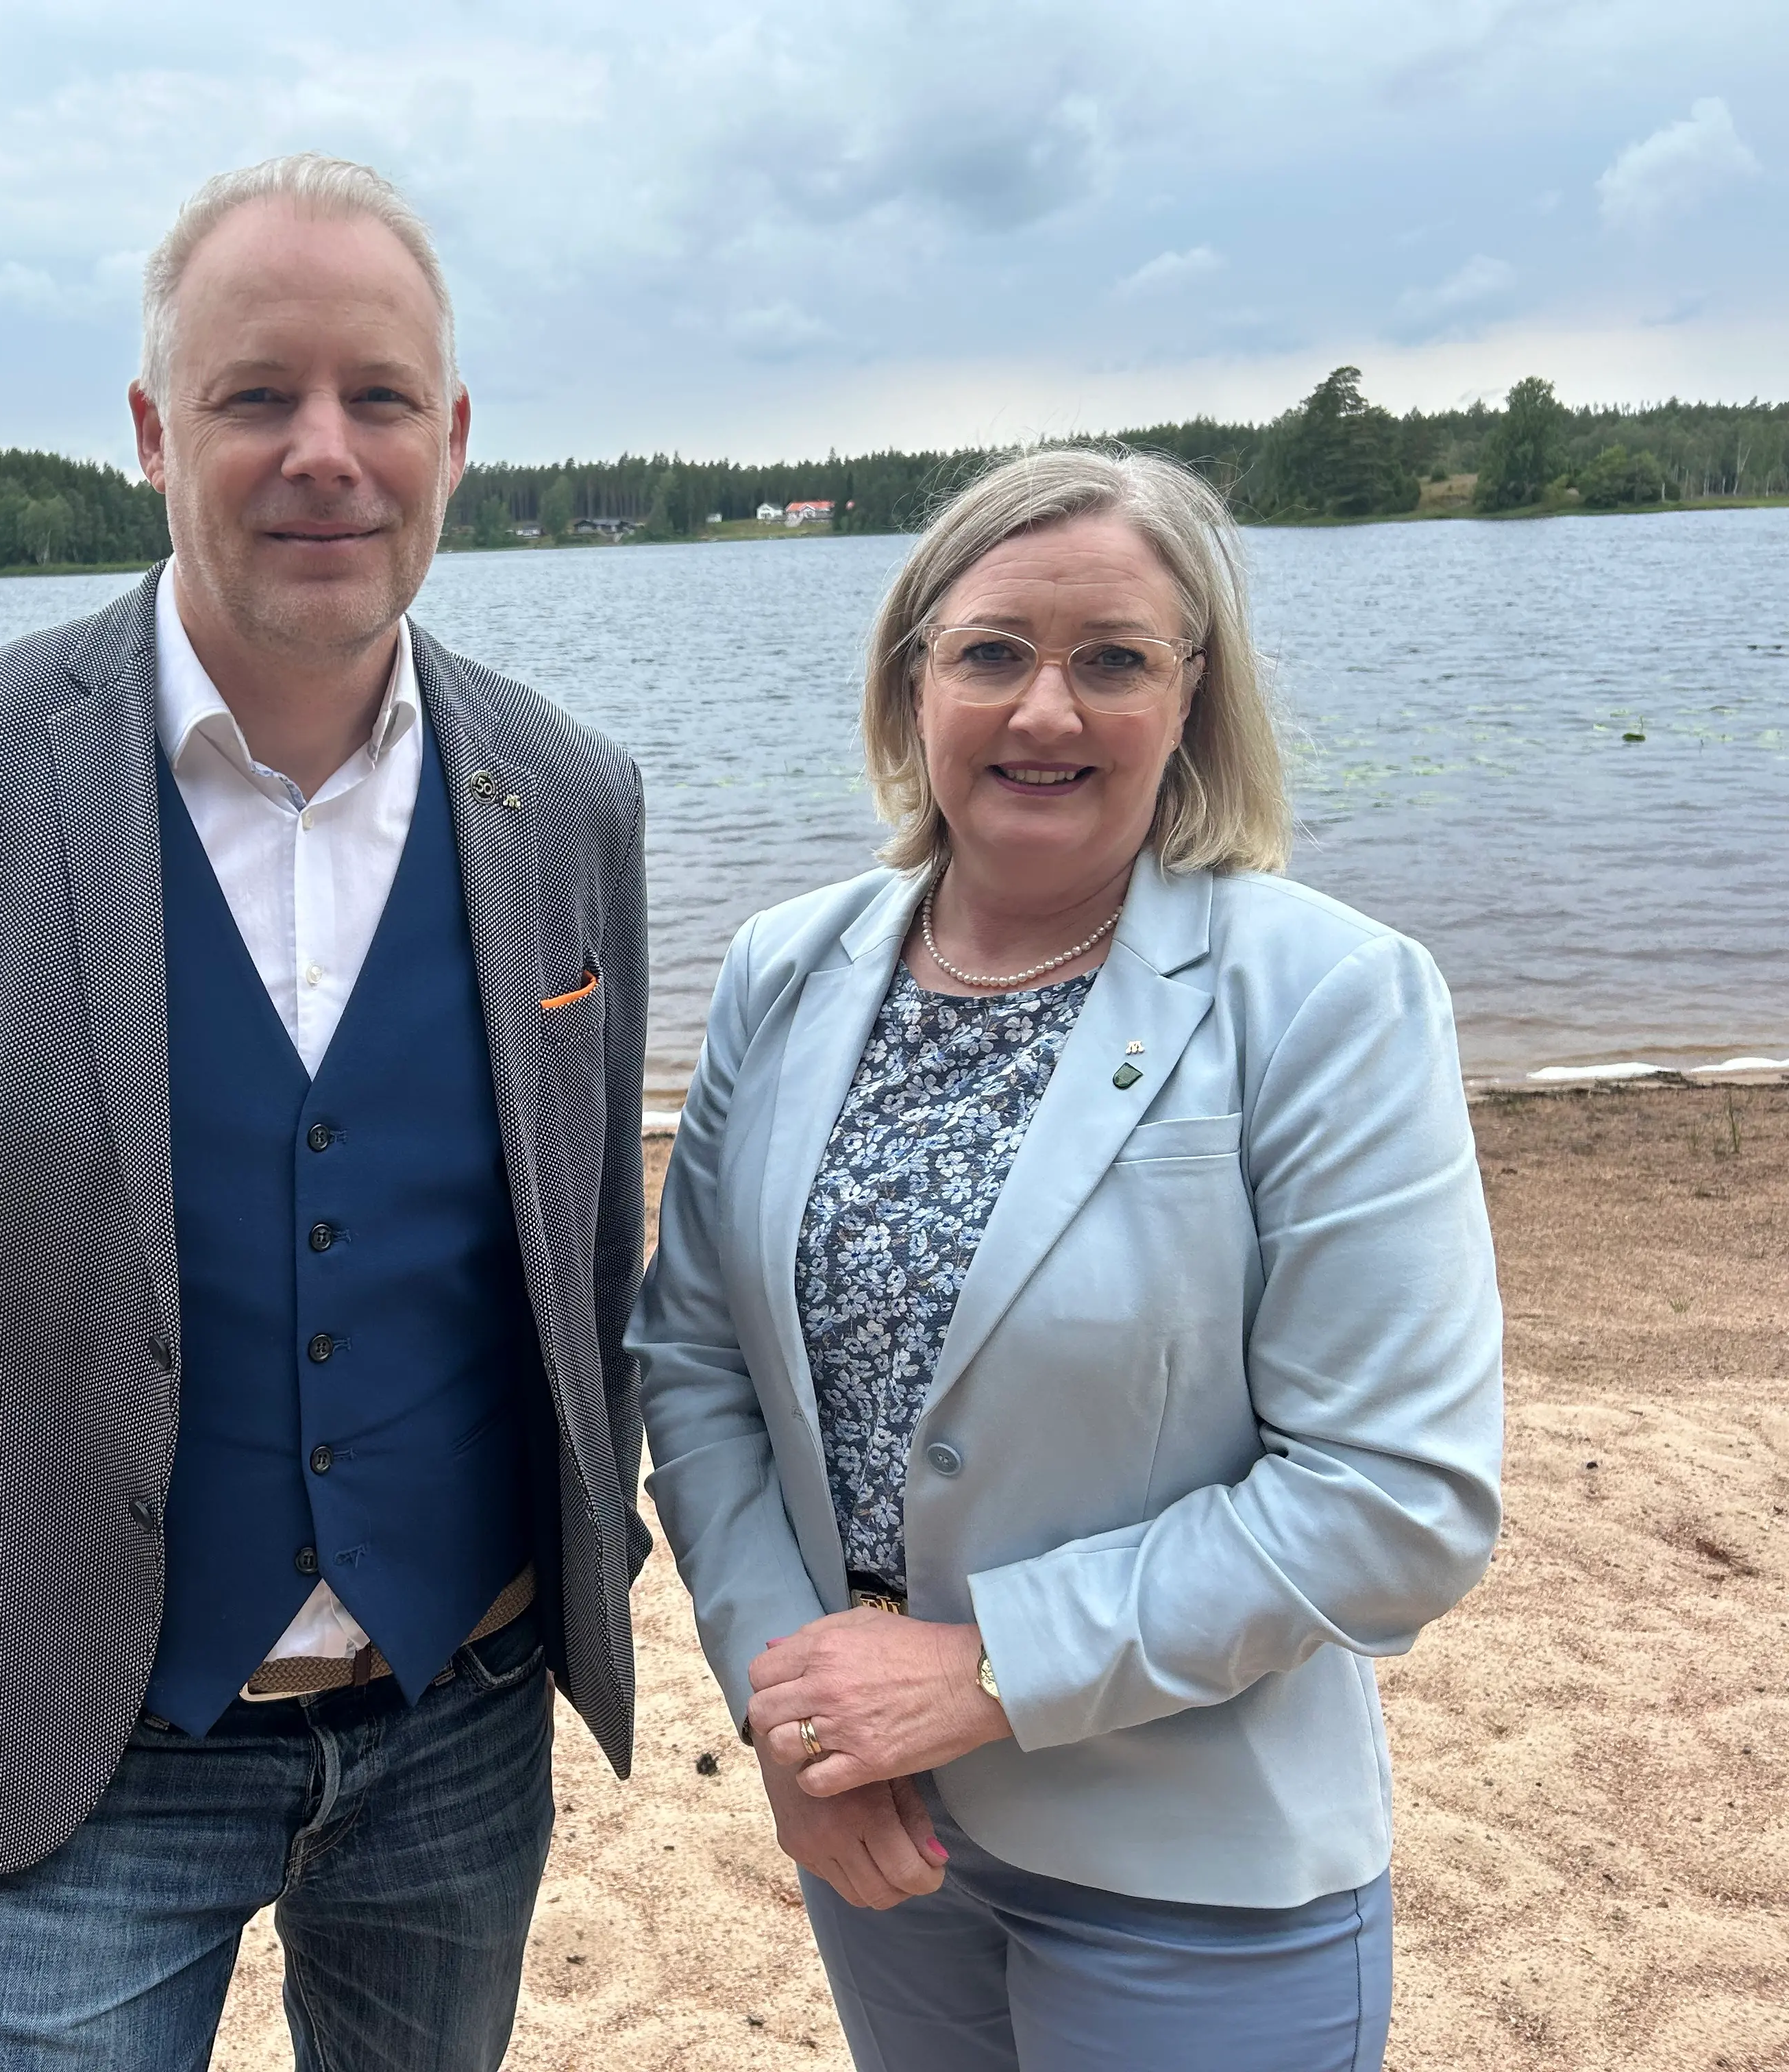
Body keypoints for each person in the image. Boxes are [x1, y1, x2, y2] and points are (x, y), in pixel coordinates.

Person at [0, 153, 651, 2071]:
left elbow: (585, 1232)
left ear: (451, 436)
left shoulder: (573, 793)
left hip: (458, 1705)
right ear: (154, 431)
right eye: (255, 398)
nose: (326, 452)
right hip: (79, 1705)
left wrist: (596, 1554)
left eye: (379, 398)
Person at [631, 445, 1503, 2071]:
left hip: (1196, 1860)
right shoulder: (781, 969)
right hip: (882, 1834)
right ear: (914, 686)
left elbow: (1399, 1498)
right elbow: (694, 1361)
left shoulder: (1328, 996)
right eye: (992, 654)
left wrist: (985, 1672)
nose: (1046, 711)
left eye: (1113, 659)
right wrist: (792, 1702)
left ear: (1195, 699)